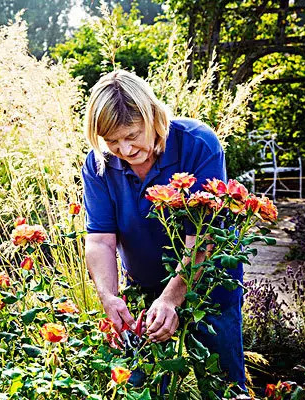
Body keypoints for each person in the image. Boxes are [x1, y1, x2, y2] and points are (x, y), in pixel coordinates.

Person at [81, 69, 245, 389]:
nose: (125, 151)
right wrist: (109, 296)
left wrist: (171, 299)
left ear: (152, 116)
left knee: (221, 384)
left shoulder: (197, 144)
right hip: (143, 290)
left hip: (208, 288)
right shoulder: (98, 165)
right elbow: (100, 240)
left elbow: (205, 236)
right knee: (143, 385)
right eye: (112, 141)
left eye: (132, 136)